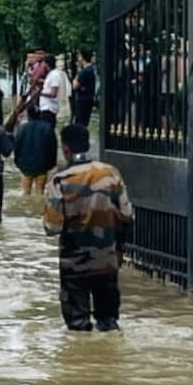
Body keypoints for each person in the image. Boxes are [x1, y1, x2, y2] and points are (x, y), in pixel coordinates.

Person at [44, 125, 134, 332]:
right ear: (88, 144)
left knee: (77, 328)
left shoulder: (60, 180)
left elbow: (52, 227)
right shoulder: (111, 173)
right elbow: (127, 214)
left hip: (74, 263)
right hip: (107, 259)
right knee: (109, 324)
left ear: (65, 149)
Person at [14, 105, 58, 196]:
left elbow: (17, 147)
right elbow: (53, 147)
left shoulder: (22, 128)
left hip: (25, 167)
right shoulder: (47, 127)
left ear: (28, 115)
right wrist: (51, 164)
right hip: (42, 167)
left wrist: (18, 163)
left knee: (25, 193)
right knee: (40, 193)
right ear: (40, 115)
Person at [71, 51, 97, 128]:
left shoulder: (85, 71)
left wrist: (75, 80)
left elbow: (75, 86)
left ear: (83, 58)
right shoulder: (90, 70)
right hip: (88, 98)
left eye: (79, 57)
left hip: (83, 100)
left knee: (80, 122)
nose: (78, 59)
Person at [38, 54, 63, 128]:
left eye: (43, 63)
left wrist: (40, 93)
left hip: (49, 109)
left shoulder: (54, 75)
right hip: (45, 108)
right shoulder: (50, 74)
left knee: (47, 130)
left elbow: (53, 93)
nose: (42, 65)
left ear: (47, 64)